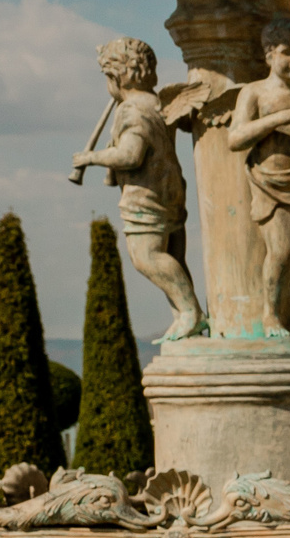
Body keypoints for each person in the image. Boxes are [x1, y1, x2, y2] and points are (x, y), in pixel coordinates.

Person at [75, 36, 206, 341]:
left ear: (115, 77)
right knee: (173, 257)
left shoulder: (131, 110)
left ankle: (190, 312)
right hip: (171, 190)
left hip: (145, 196)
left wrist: (90, 157)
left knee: (146, 257)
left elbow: (130, 156)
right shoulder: (158, 102)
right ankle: (185, 320)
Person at [226, 16, 290, 338]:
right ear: (269, 54)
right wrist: (282, 118)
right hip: (272, 181)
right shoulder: (254, 93)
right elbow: (236, 138)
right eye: (287, 51)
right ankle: (270, 316)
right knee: (283, 251)